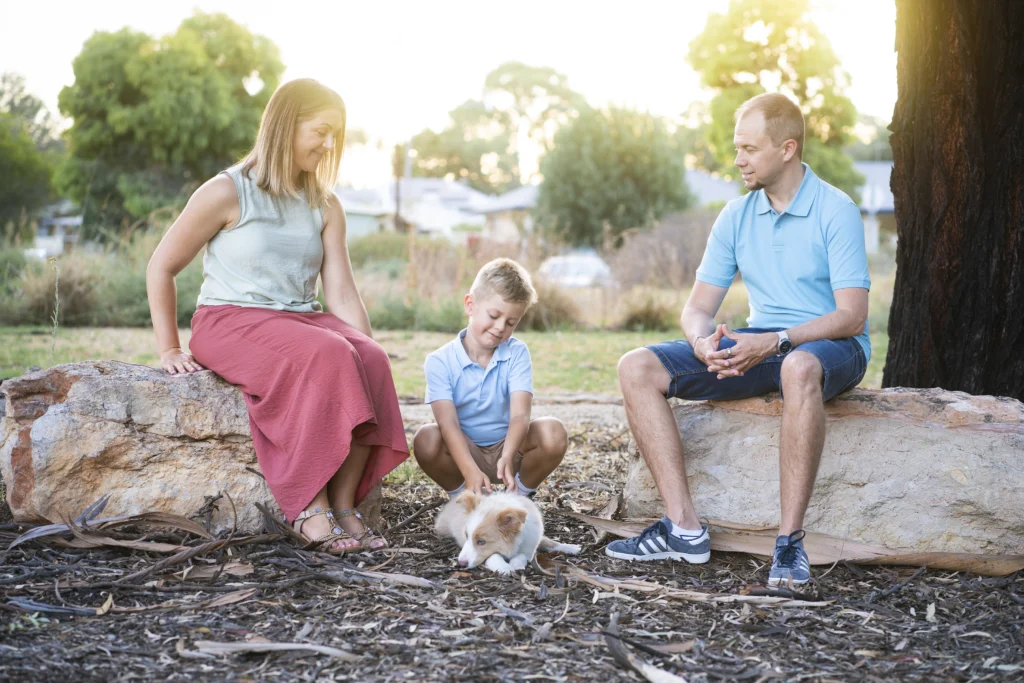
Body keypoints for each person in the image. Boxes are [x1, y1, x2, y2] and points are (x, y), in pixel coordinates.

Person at [606, 93, 871, 586]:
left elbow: (852, 316)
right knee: (636, 367)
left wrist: (778, 340)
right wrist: (703, 341)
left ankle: (789, 545)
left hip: (832, 348)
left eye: (749, 148)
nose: (738, 159)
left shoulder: (836, 210)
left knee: (797, 366)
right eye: (737, 147)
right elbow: (698, 309)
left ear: (787, 148)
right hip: (762, 342)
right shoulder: (735, 215)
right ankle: (683, 530)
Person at [146, 78, 409, 553]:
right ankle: (309, 505)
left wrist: (368, 360)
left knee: (368, 358)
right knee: (330, 353)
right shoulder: (227, 191)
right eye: (321, 131)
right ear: (287, 125)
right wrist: (168, 348)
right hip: (229, 321)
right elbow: (161, 266)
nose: (330, 144)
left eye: (336, 135)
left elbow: (342, 293)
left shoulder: (324, 203)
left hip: (299, 322)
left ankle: (345, 506)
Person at [412, 258, 568, 500]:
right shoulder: (439, 361)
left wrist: (508, 455)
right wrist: (469, 470)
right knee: (426, 439)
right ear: (470, 305)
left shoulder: (516, 352)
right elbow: (448, 424)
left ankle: (518, 496)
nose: (499, 327)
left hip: (510, 448)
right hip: (464, 451)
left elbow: (519, 415)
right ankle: (465, 497)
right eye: (493, 315)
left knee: (553, 432)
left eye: (510, 322)